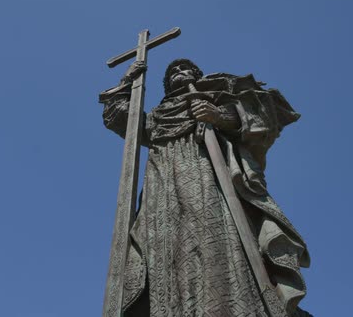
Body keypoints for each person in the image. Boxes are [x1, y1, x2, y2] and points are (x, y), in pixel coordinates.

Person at [99, 59, 312, 317]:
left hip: (206, 172)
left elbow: (260, 113)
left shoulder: (212, 97)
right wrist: (127, 81)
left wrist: (219, 116)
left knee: (212, 235)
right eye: (173, 72)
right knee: (162, 247)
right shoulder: (157, 117)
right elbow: (123, 118)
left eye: (184, 68)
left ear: (196, 74)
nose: (178, 72)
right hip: (161, 185)